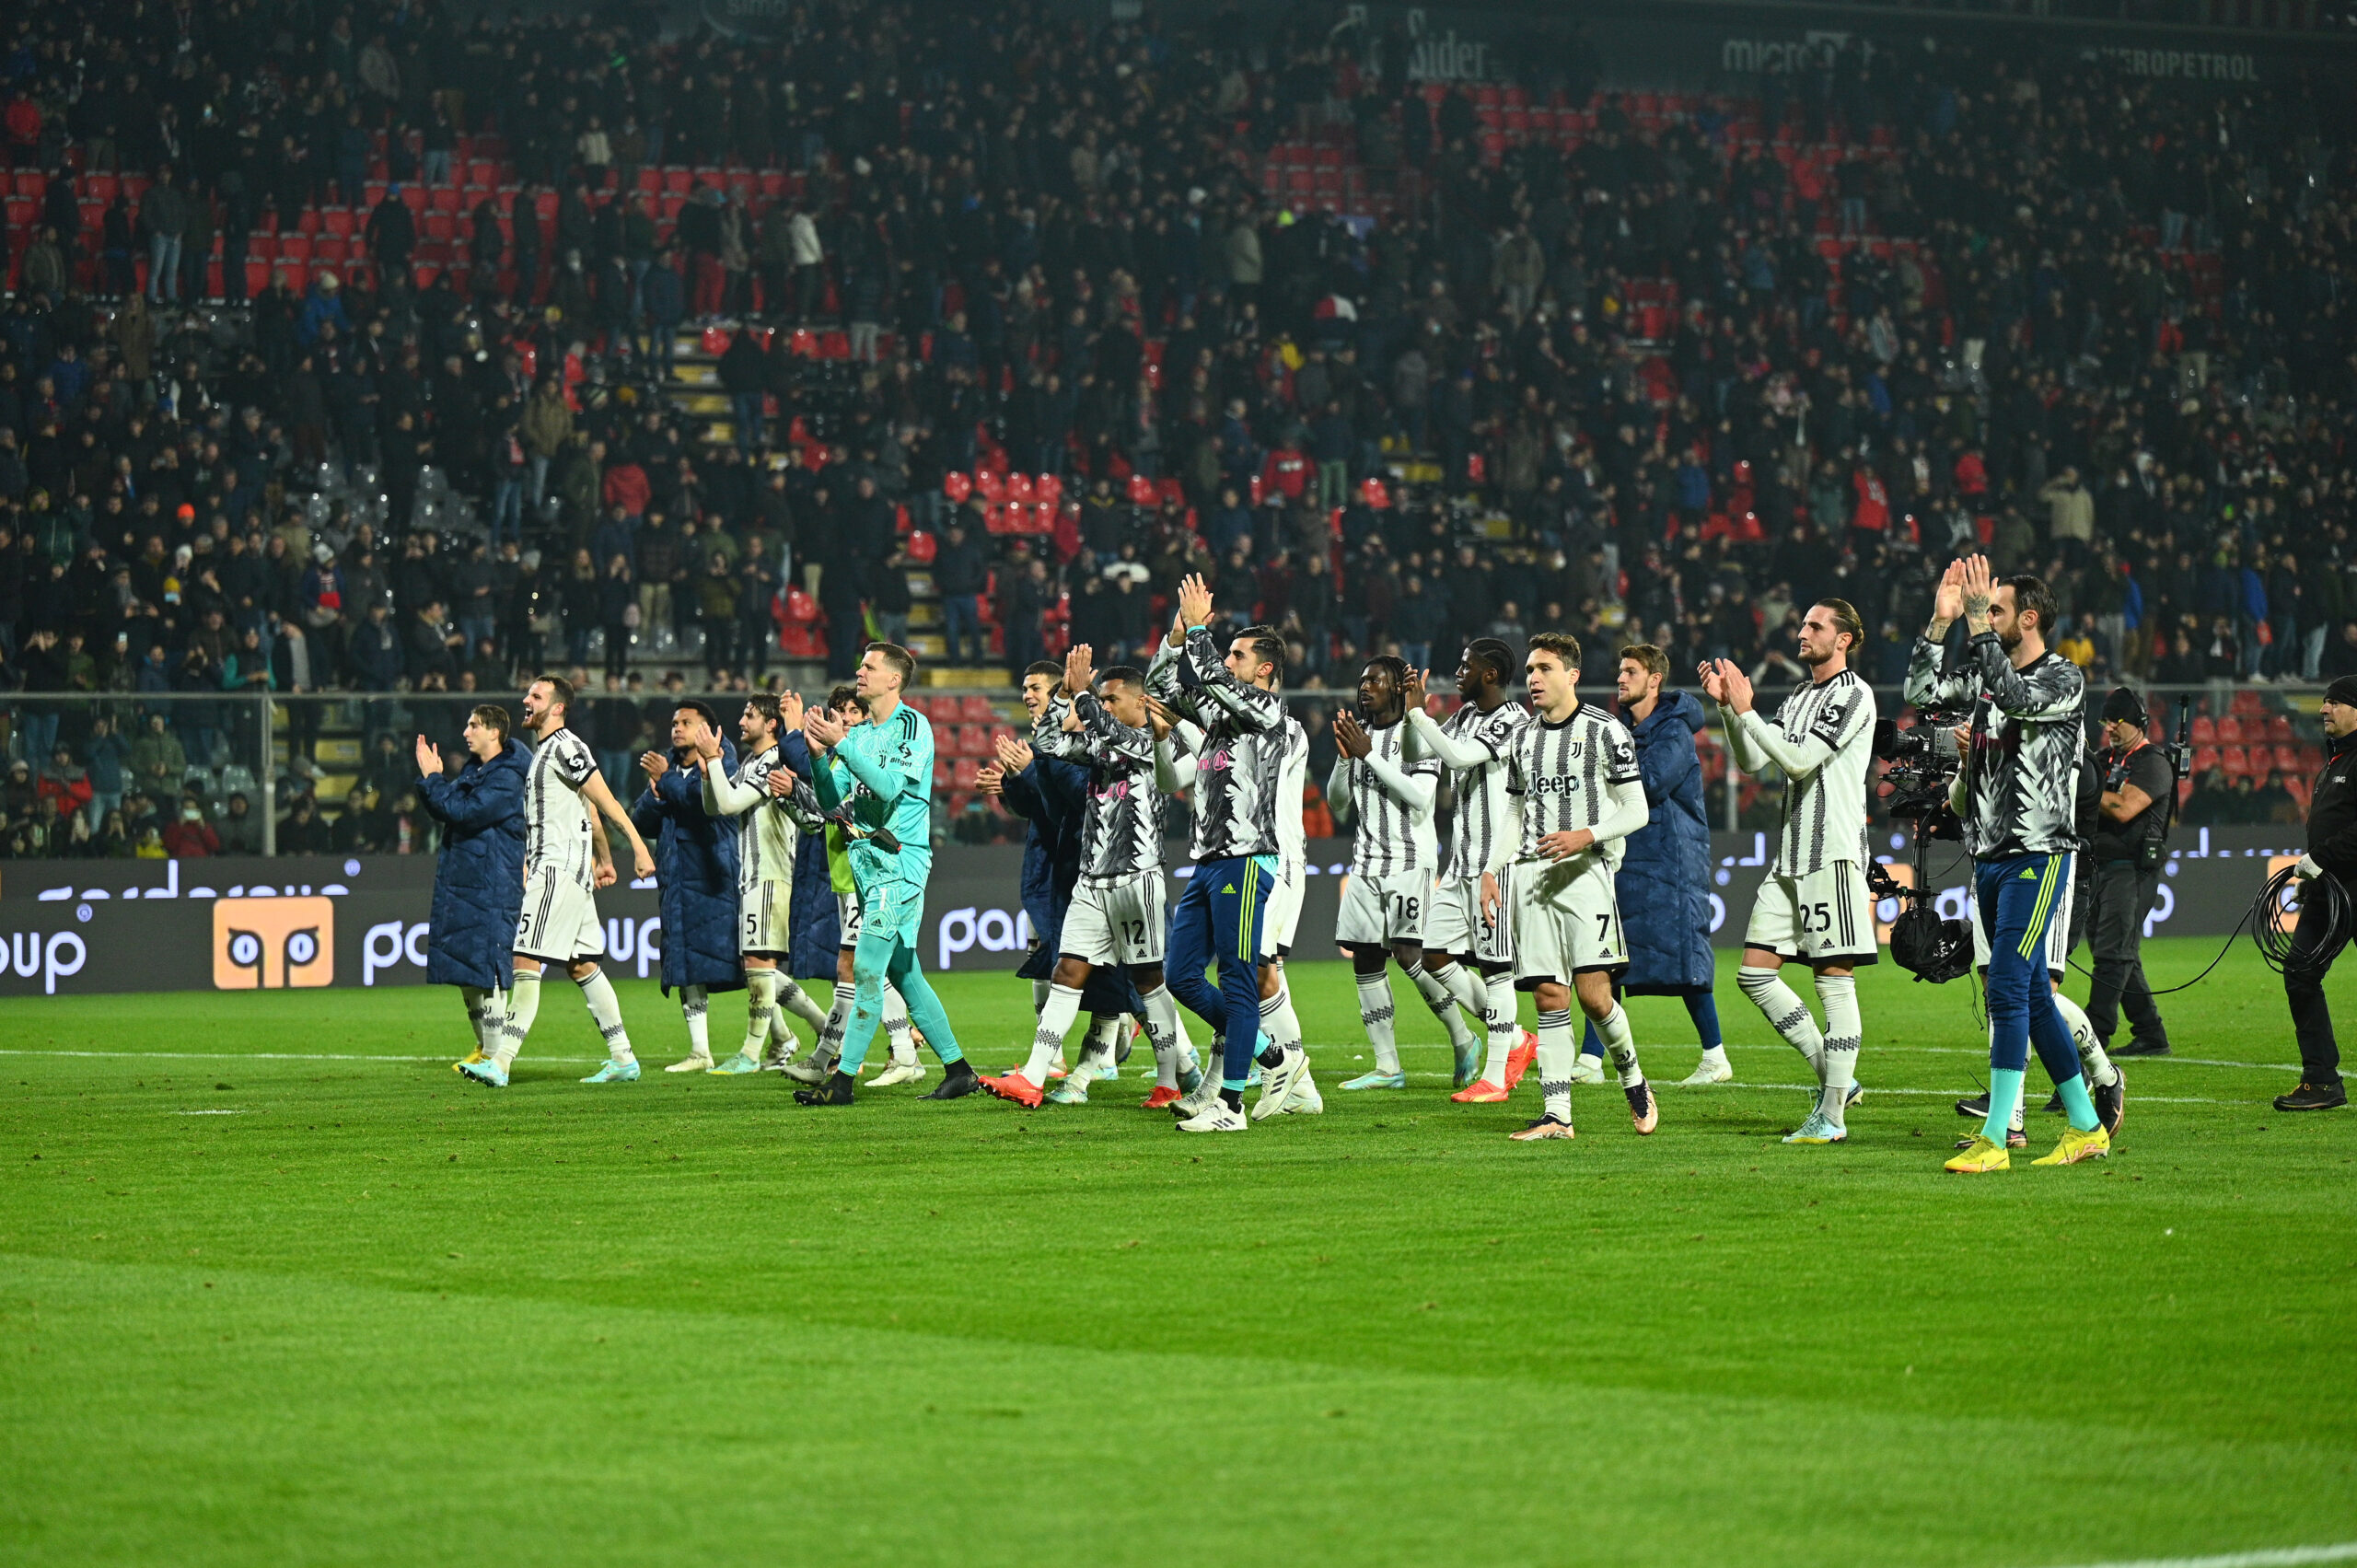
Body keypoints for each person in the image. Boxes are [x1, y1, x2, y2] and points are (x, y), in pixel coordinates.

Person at [1908, 559, 2112, 1172]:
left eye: (1995, 609)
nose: (1986, 617)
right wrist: (1940, 623)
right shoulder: (1985, 674)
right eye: (1985, 609)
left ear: (2029, 618)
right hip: (1989, 856)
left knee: (2004, 985)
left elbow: (2019, 701)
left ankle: (1996, 1137)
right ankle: (2086, 1126)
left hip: (2038, 854)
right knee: (2032, 996)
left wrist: (1975, 627)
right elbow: (1920, 694)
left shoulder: (2063, 678)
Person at [979, 645, 1198, 1109]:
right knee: (1067, 972)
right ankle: (1033, 1077)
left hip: (1137, 879)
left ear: (1140, 702)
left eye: (1113, 699)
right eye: (1103, 699)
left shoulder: (1152, 743)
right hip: (1092, 881)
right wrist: (1063, 698)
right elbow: (1050, 744)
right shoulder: (1102, 747)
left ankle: (1170, 1079)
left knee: (1148, 981)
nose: (1106, 706)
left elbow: (1110, 731)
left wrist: (1081, 697)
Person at [1702, 599, 1877, 1146]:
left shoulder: (1853, 694)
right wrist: (1731, 712)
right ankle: (1837, 1078)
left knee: (1833, 982)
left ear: (1843, 639)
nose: (1802, 632)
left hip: (1832, 856)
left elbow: (1799, 761)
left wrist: (1749, 711)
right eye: (1802, 623)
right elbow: (1754, 760)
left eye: (1815, 626)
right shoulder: (1800, 696)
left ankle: (1832, 1116)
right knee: (1754, 974)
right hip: (1791, 857)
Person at [1144, 575, 1315, 1131]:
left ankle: (1231, 1106)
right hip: (1208, 861)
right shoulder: (1220, 714)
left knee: (1240, 979)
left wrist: (1200, 632)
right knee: (1181, 975)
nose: (1227, 660)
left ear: (1264, 669)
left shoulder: (1269, 712)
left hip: (1246, 860)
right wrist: (1176, 638)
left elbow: (1214, 679)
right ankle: (1270, 1053)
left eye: (1238, 654)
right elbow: (1160, 689)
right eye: (1227, 652)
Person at [790, 644, 981, 1105]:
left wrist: (840, 744)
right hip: (868, 867)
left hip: (900, 865)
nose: (859, 671)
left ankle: (842, 1083)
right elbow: (832, 799)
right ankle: (959, 1070)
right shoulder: (861, 733)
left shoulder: (912, 726)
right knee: (904, 971)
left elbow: (889, 786)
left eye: (869, 666)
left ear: (893, 679)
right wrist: (818, 755)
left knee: (867, 968)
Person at [1496, 631, 1658, 1143]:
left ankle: (1633, 1078)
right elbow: (1514, 811)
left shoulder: (1606, 731)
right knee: (1549, 994)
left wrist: (1584, 836)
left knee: (1593, 996)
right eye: (1529, 670)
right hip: (1532, 877)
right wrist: (1491, 870)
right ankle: (1557, 1115)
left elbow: (1637, 810)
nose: (1533, 678)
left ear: (1572, 675)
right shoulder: (1522, 737)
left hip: (1586, 874)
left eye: (1544, 668)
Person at [459, 675, 657, 1089]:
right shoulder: (548, 751)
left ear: (558, 707)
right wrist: (604, 859)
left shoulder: (565, 746)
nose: (526, 700)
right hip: (572, 871)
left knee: (525, 959)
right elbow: (589, 810)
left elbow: (604, 797)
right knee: (582, 965)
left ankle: (501, 1061)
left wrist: (639, 848)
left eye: (536, 696)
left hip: (556, 869)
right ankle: (623, 1057)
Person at [1326, 656, 1484, 1092]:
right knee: (1365, 958)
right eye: (1362, 680)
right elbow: (1338, 804)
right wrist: (1345, 759)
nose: (1365, 687)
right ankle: (1387, 1066)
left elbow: (1420, 796)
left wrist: (1369, 755)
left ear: (1399, 688)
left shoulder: (1418, 734)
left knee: (1412, 956)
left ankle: (1465, 1037)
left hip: (1409, 860)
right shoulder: (1359, 736)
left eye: (1375, 680)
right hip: (1365, 863)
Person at [1402, 639, 1540, 1103]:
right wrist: (1413, 717)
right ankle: (1516, 1039)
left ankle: (1496, 1077)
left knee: (1496, 970)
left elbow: (1459, 758)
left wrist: (1420, 715)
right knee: (1433, 955)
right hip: (1460, 864)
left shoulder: (1512, 719)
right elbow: (1418, 752)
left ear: (1491, 674)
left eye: (1466, 666)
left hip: (1495, 867)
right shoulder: (1463, 717)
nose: (1458, 673)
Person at [772, 685, 924, 1088]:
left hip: (875, 874)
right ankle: (904, 1051)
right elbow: (821, 814)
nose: (847, 719)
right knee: (876, 968)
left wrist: (796, 752)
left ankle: (832, 1059)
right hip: (846, 877)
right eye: (839, 713)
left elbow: (848, 810)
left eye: (853, 712)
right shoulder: (842, 757)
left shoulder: (868, 754)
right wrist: (793, 795)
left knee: (854, 966)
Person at [1594, 645, 1726, 1088]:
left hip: (1672, 857)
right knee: (1607, 955)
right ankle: (1591, 1059)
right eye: (1620, 670)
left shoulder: (1674, 731)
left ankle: (1715, 1055)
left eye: (1630, 671)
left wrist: (1605, 775)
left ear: (1654, 680)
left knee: (1683, 957)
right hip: (1628, 854)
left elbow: (1650, 784)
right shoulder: (1621, 730)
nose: (1620, 678)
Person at [687, 692, 835, 1074]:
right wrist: (707, 772)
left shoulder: (772, 761)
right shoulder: (752, 762)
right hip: (752, 876)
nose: (741, 721)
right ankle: (814, 1031)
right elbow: (715, 806)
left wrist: (715, 759)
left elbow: (730, 804)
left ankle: (751, 1053)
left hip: (770, 873)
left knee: (758, 963)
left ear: (771, 724)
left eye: (749, 715)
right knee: (758, 966)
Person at [629, 699, 749, 1074]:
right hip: (678, 882)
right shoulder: (668, 766)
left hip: (715, 878)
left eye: (686, 722)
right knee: (684, 965)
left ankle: (794, 1030)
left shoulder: (722, 761)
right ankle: (700, 1052)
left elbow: (701, 804)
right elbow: (642, 821)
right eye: (674, 723)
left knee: (752, 966)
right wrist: (656, 794)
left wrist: (665, 782)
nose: (677, 728)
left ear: (708, 731)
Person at [415, 704, 528, 1071]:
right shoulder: (476, 770)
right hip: (467, 880)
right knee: (466, 968)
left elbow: (463, 812)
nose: (466, 732)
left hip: (492, 883)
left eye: (474, 725)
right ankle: (484, 1047)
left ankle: (495, 1056)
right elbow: (449, 807)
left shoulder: (508, 777)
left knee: (487, 966)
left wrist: (434, 779)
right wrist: (435, 781)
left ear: (495, 732)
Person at [2077, 688, 2175, 1060]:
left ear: (2138, 723)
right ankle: (2150, 1033)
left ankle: (2095, 1035)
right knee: (2118, 952)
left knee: (2113, 952)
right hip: (2096, 864)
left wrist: (2086, 788)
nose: (2110, 728)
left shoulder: (2153, 762)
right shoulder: (2103, 759)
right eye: (2106, 721)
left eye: (2118, 721)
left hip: (2131, 868)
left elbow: (2123, 808)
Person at [2278, 677, 2357, 1111]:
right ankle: (2322, 1080)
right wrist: (2314, 876)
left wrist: (2319, 857)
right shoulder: (2335, 760)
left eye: (2335, 702)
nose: (2325, 709)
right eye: (2324, 701)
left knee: (2301, 972)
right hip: (2330, 891)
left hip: (2351, 886)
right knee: (2300, 971)